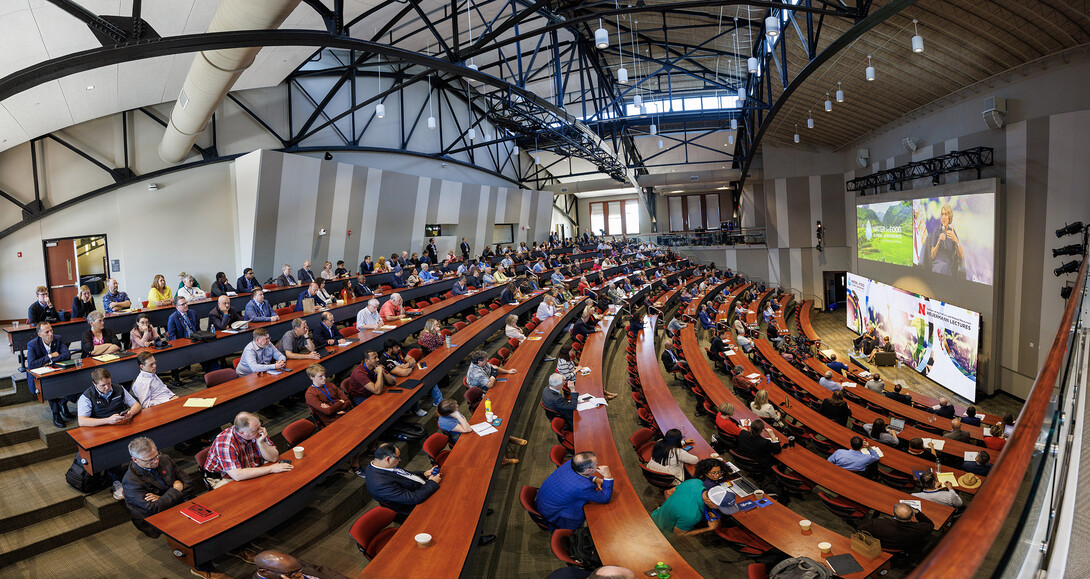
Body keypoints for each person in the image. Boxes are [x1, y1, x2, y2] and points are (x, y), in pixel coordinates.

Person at [78, 368, 141, 498]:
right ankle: (117, 482)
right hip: (101, 429)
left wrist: (130, 413)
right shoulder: (87, 396)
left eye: (109, 383)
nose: (107, 387)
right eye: (103, 385)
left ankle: (141, 473)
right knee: (114, 447)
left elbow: (136, 405)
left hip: (121, 425)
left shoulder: (118, 389)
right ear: (94, 384)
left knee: (140, 440)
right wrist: (108, 420)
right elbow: (82, 421)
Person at [121, 437, 199, 538]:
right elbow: (153, 508)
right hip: (155, 516)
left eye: (156, 455)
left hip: (175, 504)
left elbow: (189, 483)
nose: (156, 461)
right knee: (190, 532)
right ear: (135, 459)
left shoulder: (165, 459)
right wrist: (175, 490)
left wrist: (161, 498)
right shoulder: (130, 481)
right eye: (150, 460)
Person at [204, 412, 292, 483]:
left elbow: (274, 458)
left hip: (251, 467)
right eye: (255, 430)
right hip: (224, 477)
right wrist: (271, 469)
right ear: (241, 433)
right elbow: (237, 475)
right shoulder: (225, 442)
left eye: (260, 426)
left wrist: (261, 443)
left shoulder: (258, 431)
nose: (261, 430)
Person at [536, 451, 614, 530]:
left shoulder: (571, 463)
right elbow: (605, 498)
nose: (598, 466)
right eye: (596, 465)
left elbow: (578, 475)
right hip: (553, 513)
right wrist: (608, 476)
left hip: (545, 500)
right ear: (589, 471)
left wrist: (595, 479)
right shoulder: (583, 487)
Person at [436, 399, 524, 465]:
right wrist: (458, 416)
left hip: (465, 429)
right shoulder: (445, 422)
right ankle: (503, 459)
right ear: (450, 412)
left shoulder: (452, 412)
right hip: (460, 438)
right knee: (491, 438)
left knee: (495, 430)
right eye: (456, 407)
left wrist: (459, 416)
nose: (458, 406)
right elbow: (467, 429)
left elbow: (465, 421)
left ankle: (508, 439)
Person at [364, 443, 442, 516]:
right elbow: (414, 498)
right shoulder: (381, 484)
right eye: (398, 457)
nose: (400, 460)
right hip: (416, 507)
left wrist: (424, 474)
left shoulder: (378, 464)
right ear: (388, 459)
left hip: (422, 489)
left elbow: (404, 474)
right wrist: (432, 483)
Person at [27, 322, 75, 427]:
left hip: (56, 370)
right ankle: (56, 414)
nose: (51, 334)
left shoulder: (58, 339)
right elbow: (32, 364)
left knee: (72, 380)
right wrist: (50, 356)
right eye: (47, 332)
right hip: (40, 376)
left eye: (51, 330)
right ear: (39, 335)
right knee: (51, 386)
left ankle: (63, 402)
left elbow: (67, 355)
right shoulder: (32, 344)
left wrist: (49, 361)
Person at [651, 478, 723, 537]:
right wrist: (710, 528)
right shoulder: (693, 515)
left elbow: (669, 492)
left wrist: (671, 507)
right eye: (720, 507)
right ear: (709, 502)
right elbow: (678, 534)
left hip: (656, 515)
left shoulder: (695, 482)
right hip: (661, 532)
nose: (720, 509)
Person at [857, 503, 934, 552]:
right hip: (904, 548)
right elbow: (930, 524)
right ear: (912, 515)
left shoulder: (877, 523)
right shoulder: (919, 529)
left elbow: (860, 529)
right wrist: (917, 512)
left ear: (893, 514)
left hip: (879, 546)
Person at [252, 550, 350, 579]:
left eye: (300, 569)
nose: (300, 574)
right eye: (291, 573)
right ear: (264, 572)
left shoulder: (291, 565)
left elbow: (319, 569)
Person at [926, 203, 965, 276]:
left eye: (946, 214)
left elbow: (961, 256)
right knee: (940, 267)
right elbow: (932, 256)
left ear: (949, 217)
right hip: (937, 264)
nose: (943, 217)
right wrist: (939, 242)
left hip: (948, 266)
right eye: (942, 214)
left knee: (944, 267)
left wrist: (956, 241)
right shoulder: (936, 230)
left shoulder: (952, 232)